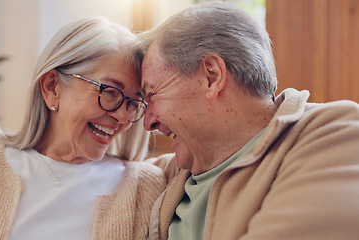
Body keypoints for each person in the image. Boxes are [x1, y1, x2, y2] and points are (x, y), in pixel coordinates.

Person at [0, 17, 166, 240]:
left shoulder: (146, 189)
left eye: (134, 103)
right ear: (52, 87)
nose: (123, 116)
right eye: (110, 93)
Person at [137, 1, 359, 240]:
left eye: (152, 94)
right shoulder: (172, 173)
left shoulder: (333, 135)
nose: (147, 122)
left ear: (212, 77)